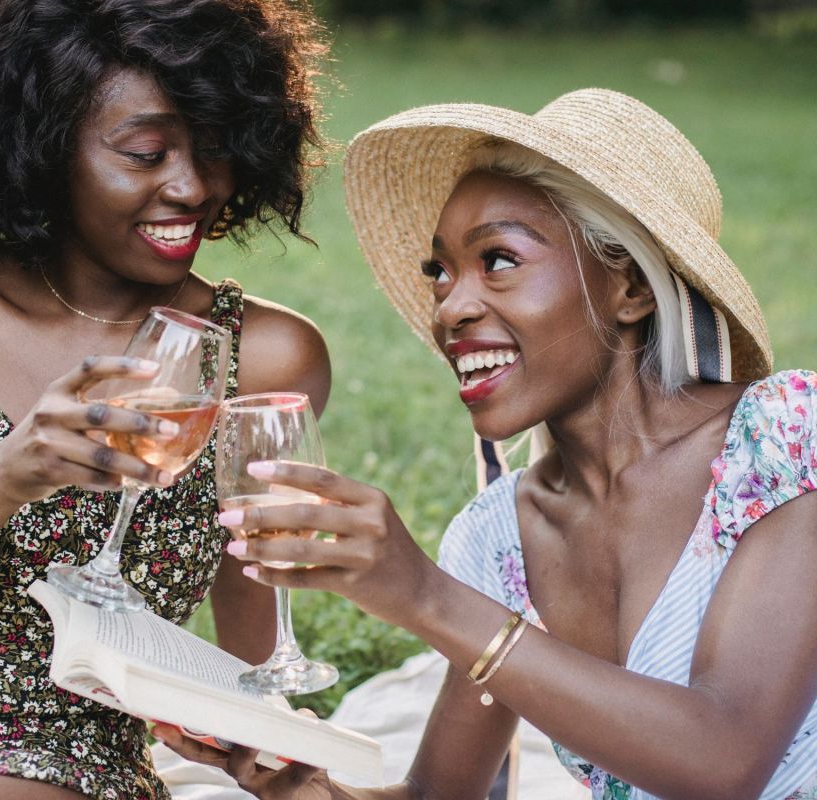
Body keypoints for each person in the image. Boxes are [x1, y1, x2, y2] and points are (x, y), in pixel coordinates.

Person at [154, 89, 817, 799]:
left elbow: (726, 758)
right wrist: (302, 786)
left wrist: (423, 595)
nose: (452, 306)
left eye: (498, 259)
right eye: (439, 271)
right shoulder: (497, 538)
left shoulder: (779, 438)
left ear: (629, 287)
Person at [0, 0, 331, 797]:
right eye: (145, 153)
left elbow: (257, 653)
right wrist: (6, 474)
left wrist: (269, 739)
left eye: (214, 146)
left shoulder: (263, 355)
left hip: (56, 754)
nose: (191, 186)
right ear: (42, 148)